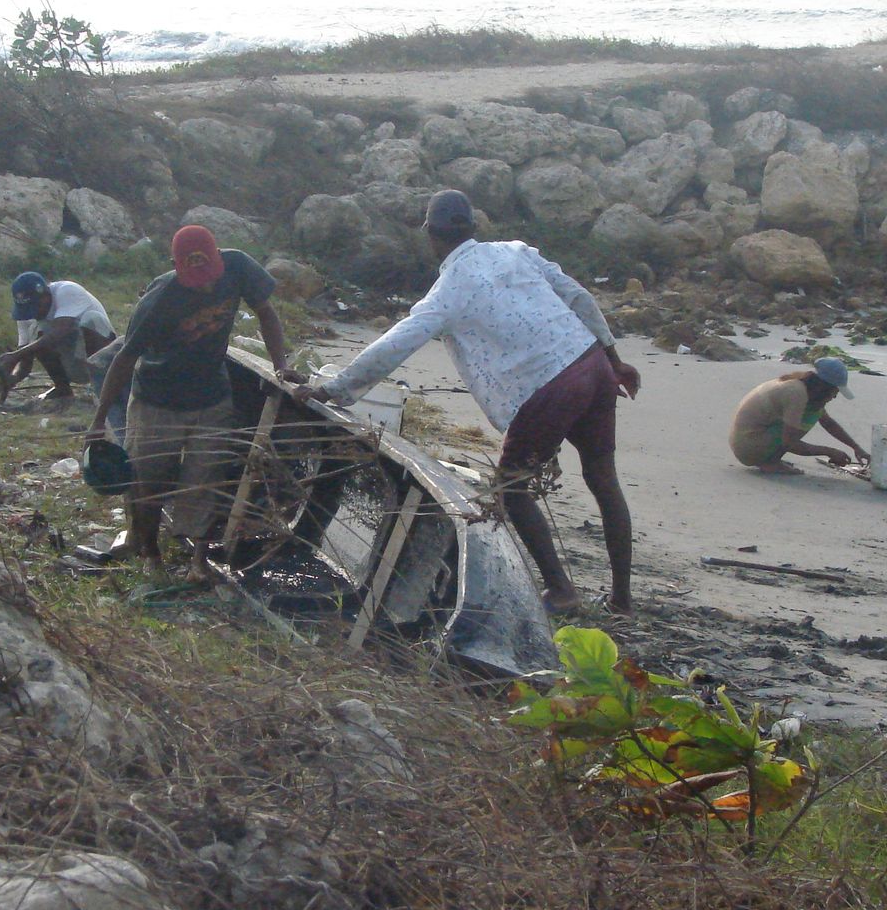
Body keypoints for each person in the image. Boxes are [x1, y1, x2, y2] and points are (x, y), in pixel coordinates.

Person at [294, 189, 640, 616]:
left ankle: (561, 589)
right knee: (604, 478)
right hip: (591, 365)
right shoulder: (515, 252)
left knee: (511, 488)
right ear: (474, 227)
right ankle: (622, 599)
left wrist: (334, 390)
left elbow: (395, 345)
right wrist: (614, 359)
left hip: (549, 387)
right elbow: (580, 298)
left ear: (430, 234)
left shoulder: (447, 292)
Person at [87, 225, 299, 583]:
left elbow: (265, 312)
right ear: (176, 266)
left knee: (205, 478)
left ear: (220, 257)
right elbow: (124, 358)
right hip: (157, 399)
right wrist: (97, 420)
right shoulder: (159, 298)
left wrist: (281, 366)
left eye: (209, 277)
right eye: (194, 279)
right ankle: (151, 553)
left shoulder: (239, 268)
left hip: (211, 396)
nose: (204, 286)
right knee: (148, 479)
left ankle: (198, 561)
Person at [0, 273, 120, 420]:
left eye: (35, 306)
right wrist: (12, 378)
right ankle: (63, 390)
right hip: (73, 364)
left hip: (101, 358)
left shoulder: (67, 291)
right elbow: (26, 360)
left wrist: (15, 356)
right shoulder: (27, 314)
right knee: (36, 332)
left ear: (46, 295)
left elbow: (61, 330)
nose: (33, 313)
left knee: (91, 319)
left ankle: (104, 387)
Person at [729, 357, 870, 474]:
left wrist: (856, 447)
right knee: (809, 417)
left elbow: (828, 423)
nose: (834, 396)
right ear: (824, 387)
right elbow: (789, 442)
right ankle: (770, 463)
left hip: (746, 441)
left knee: (815, 412)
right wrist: (830, 452)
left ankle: (770, 458)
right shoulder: (796, 395)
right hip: (748, 447)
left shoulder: (799, 386)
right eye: (835, 391)